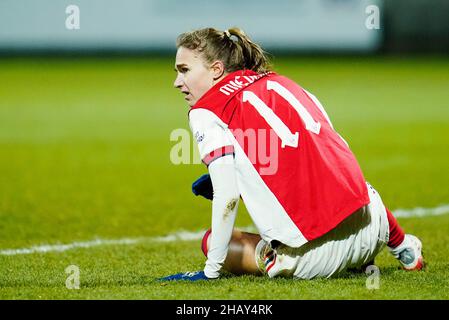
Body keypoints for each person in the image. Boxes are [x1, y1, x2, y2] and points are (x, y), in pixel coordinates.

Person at [159, 27, 424, 281]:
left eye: (184, 70)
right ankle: (404, 249)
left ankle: (274, 258)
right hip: (374, 225)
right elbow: (329, 151)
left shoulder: (206, 110)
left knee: (213, 241)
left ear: (216, 69)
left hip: (316, 259)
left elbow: (227, 196)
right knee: (346, 175)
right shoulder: (279, 81)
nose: (177, 82)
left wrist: (211, 270)